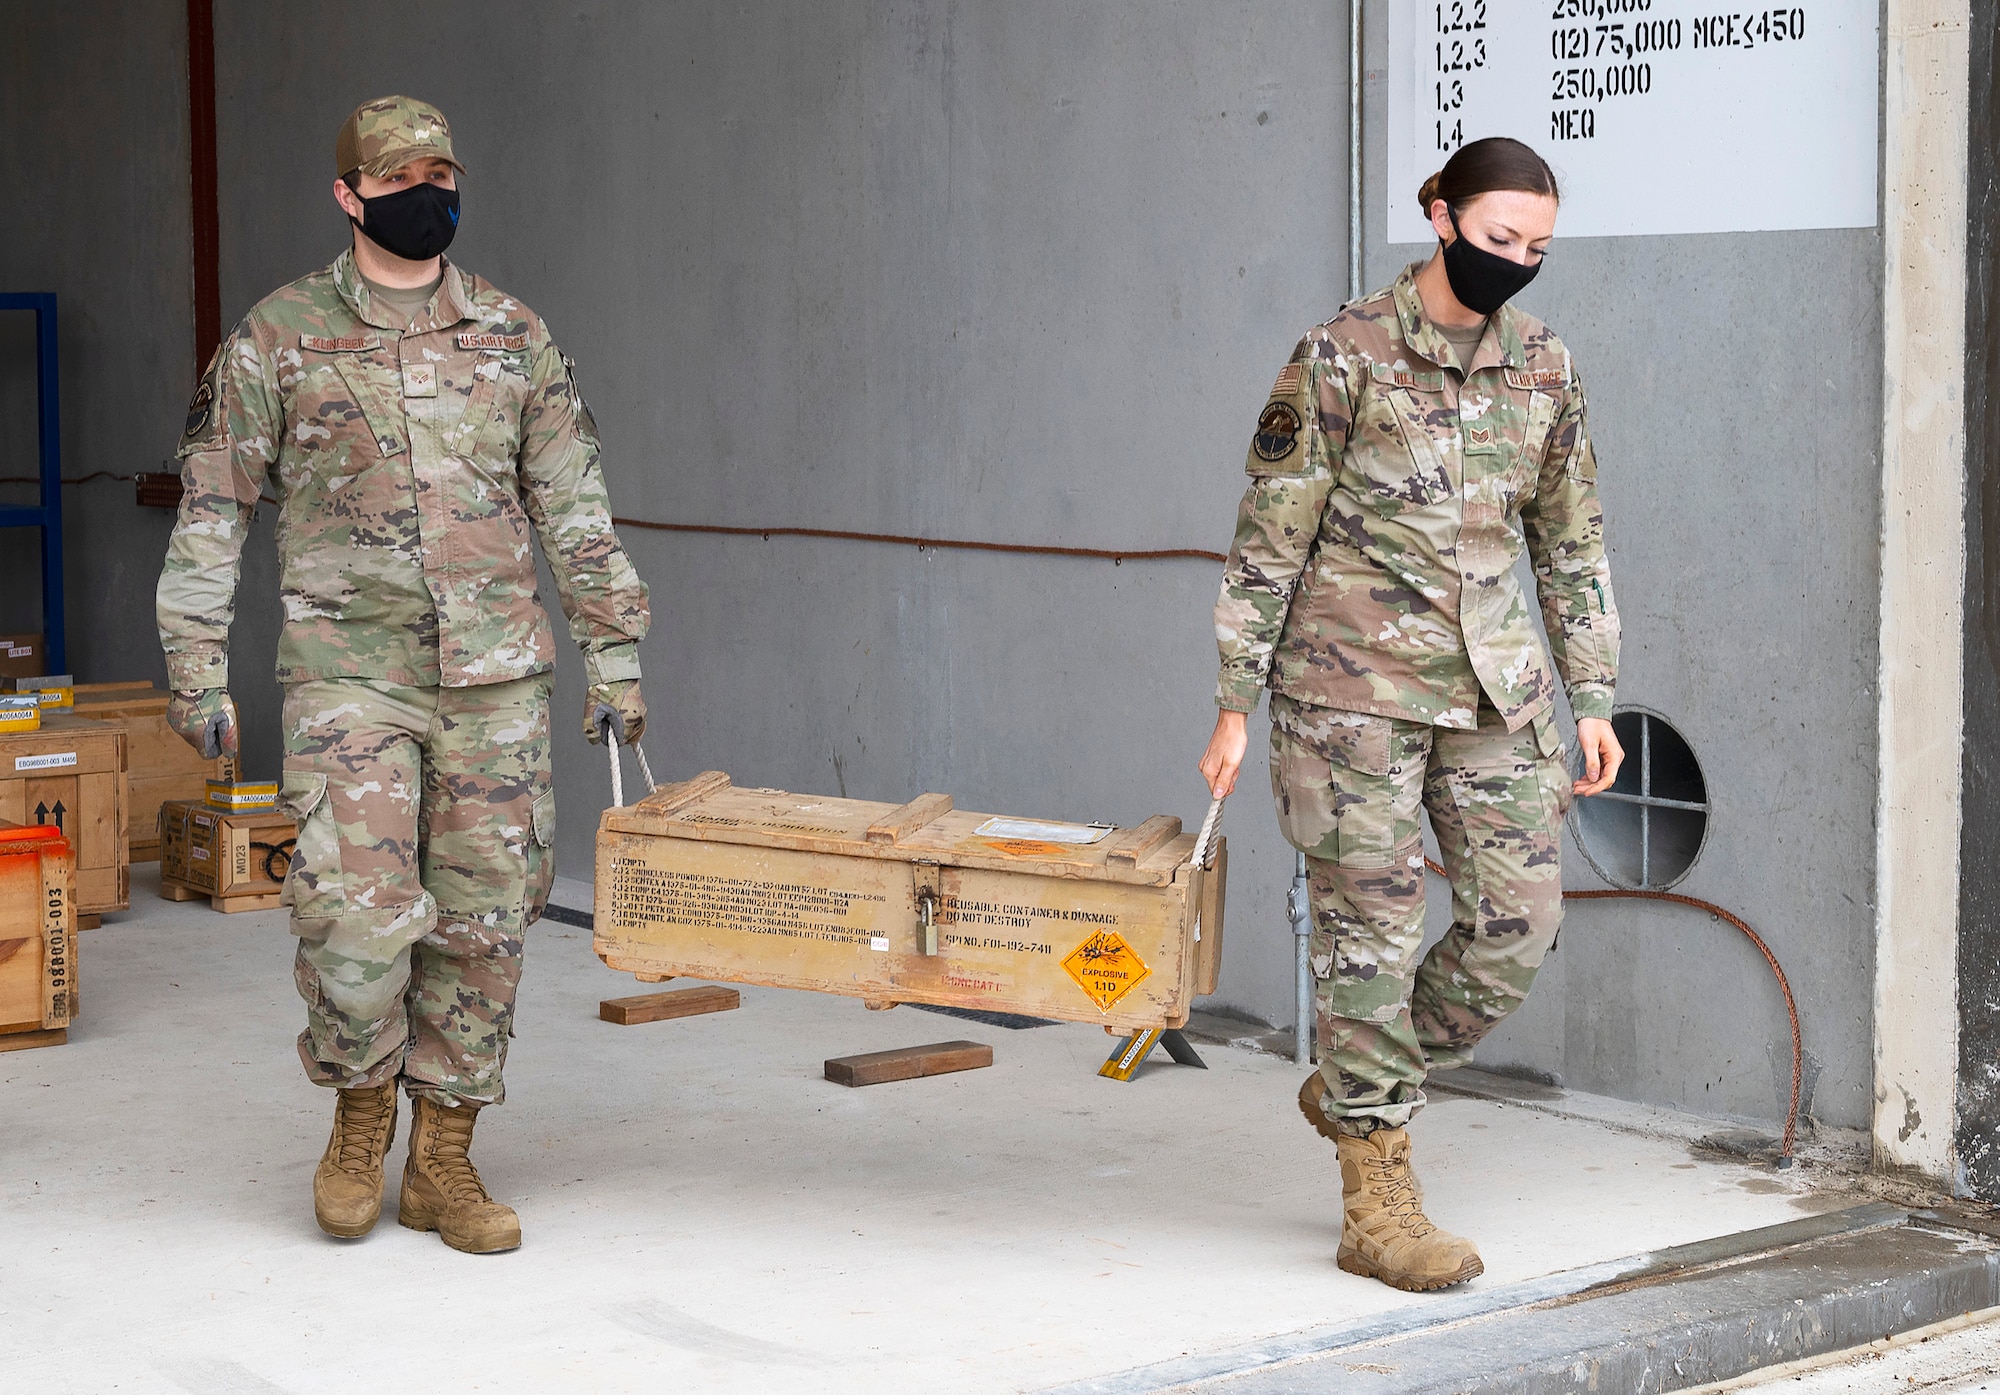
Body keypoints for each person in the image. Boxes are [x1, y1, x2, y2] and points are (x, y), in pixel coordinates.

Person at [156, 95, 652, 1254]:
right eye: (397, 176)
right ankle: (357, 1113)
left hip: (496, 680)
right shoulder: (278, 337)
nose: (425, 193)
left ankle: (443, 1162)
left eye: (440, 171)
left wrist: (612, 650)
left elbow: (573, 503)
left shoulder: (512, 336)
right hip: (350, 678)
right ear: (348, 194)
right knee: (351, 915)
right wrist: (196, 666)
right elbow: (213, 510)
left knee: (485, 924)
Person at [1198, 137, 1623, 1293]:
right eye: (1498, 240)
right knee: (1368, 945)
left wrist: (1591, 692)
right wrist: (1234, 698)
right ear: (1437, 215)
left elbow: (1568, 540)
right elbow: (1269, 534)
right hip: (1352, 701)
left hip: (1496, 692)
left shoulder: (1544, 366)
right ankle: (1375, 1201)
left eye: (1535, 248)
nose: (1518, 263)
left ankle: (1350, 1087)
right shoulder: (1341, 356)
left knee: (1516, 927)